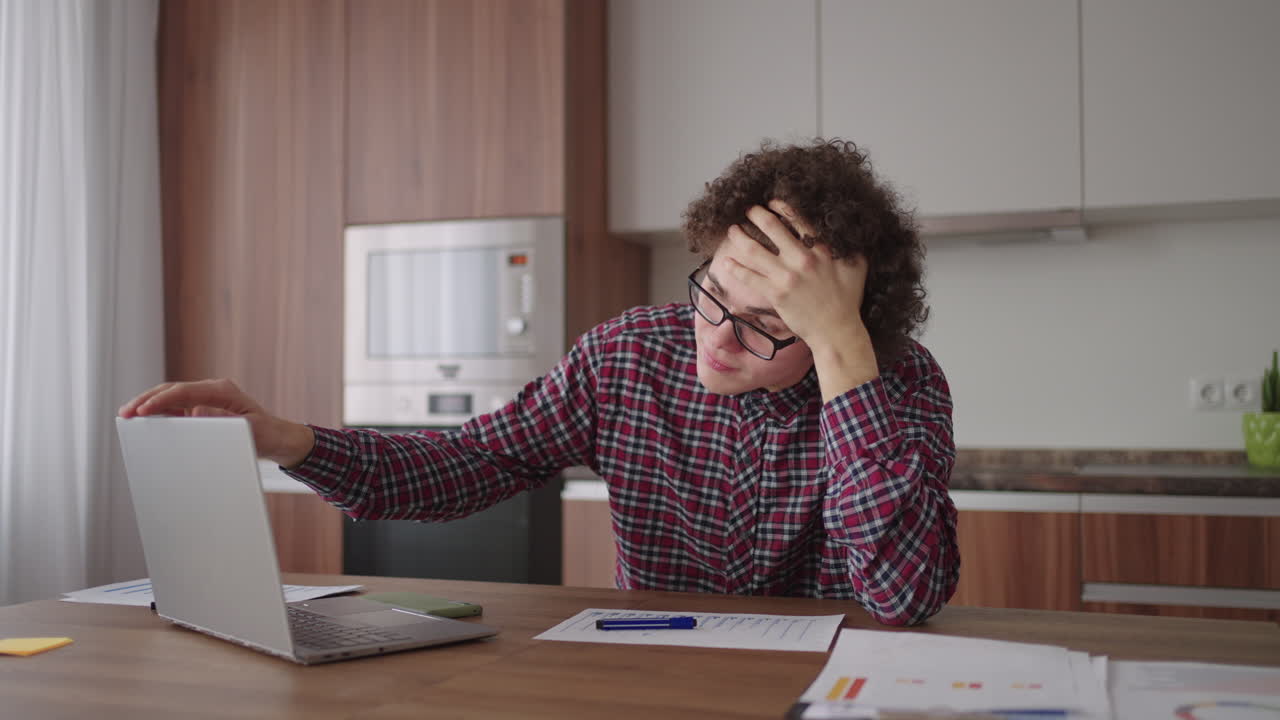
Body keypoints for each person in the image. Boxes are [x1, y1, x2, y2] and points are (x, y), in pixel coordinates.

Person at [120, 138, 959, 627]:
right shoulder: (627, 357)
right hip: (651, 685)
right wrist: (285, 439)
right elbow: (461, 466)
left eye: (768, 323)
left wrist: (843, 351)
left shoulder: (899, 385)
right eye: (714, 291)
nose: (718, 339)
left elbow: (904, 597)